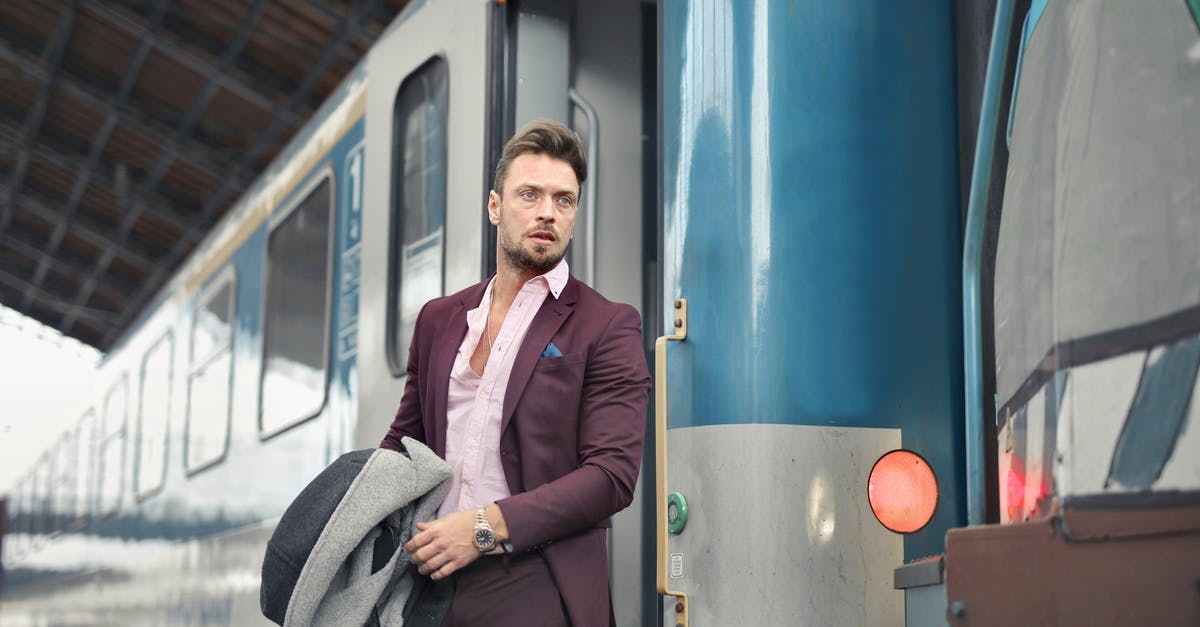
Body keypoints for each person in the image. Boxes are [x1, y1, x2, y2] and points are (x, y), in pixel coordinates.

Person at [380, 119, 651, 627]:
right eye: (530, 195)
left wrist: (483, 529)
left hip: (534, 580)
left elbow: (610, 477)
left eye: (564, 200)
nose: (548, 212)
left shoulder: (607, 324)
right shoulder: (439, 319)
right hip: (426, 582)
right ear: (494, 207)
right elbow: (403, 443)